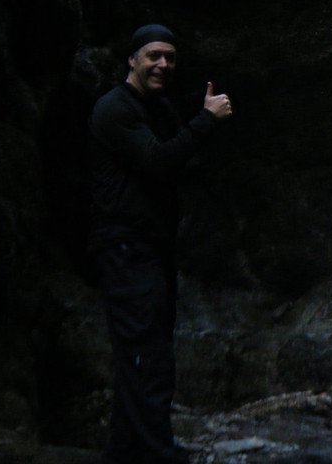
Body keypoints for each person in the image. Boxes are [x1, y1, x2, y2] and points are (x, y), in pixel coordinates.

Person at [87, 24, 234, 464]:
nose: (163, 64)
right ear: (132, 60)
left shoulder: (156, 107)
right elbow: (156, 161)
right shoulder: (115, 109)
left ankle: (125, 450)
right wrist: (206, 120)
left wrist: (197, 128)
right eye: (153, 55)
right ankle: (154, 452)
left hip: (150, 246)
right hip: (126, 247)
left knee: (147, 351)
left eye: (170, 57)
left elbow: (182, 161)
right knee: (145, 354)